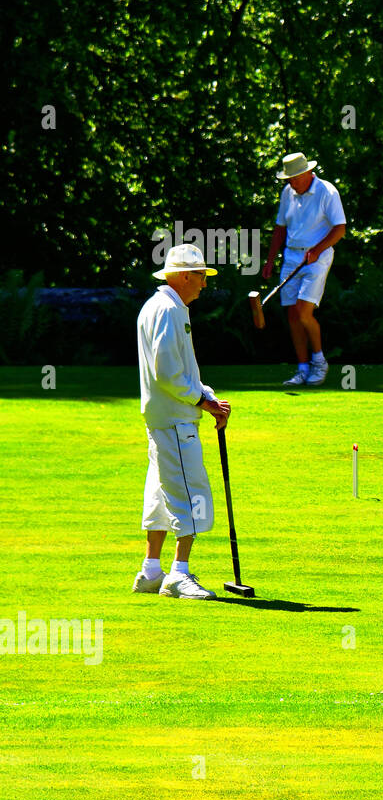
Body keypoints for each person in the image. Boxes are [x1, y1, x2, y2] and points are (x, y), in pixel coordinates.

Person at [134, 245, 232, 600]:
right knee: (191, 494)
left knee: (161, 493)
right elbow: (167, 372)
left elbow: (180, 369)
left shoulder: (158, 307)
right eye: (202, 276)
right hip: (176, 420)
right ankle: (179, 574)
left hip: (164, 417)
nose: (204, 284)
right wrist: (201, 401)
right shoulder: (170, 310)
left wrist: (204, 393)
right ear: (184, 275)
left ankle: (151, 571)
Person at [260, 151, 347, 386]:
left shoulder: (327, 192)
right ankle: (302, 368)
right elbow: (280, 228)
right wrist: (270, 260)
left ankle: (319, 362)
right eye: (289, 179)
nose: (292, 183)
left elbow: (340, 229)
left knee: (303, 311)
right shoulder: (288, 193)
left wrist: (317, 250)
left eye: (295, 178)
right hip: (291, 257)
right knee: (292, 315)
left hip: (318, 257)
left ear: (308, 172)